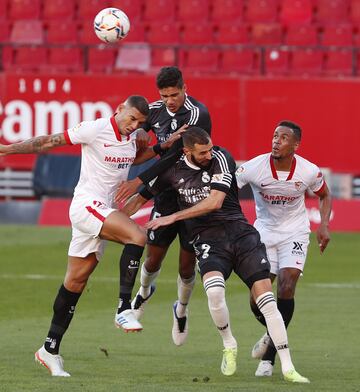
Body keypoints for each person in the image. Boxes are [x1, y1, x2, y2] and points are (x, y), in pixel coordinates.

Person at [0, 95, 179, 377]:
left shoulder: (131, 138)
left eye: (139, 122)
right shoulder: (94, 129)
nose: (133, 125)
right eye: (130, 118)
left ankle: (49, 349)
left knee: (75, 282)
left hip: (102, 210)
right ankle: (124, 308)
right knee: (137, 236)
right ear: (119, 109)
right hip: (86, 205)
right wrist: (8, 149)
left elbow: (133, 156)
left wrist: (160, 147)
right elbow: (49, 141)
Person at [122, 127, 309, 383]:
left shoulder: (221, 158)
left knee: (266, 299)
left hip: (240, 234)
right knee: (214, 291)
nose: (209, 154)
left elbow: (215, 202)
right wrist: (112, 220)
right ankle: (229, 344)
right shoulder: (171, 171)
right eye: (203, 152)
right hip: (208, 239)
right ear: (187, 151)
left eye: (210, 148)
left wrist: (173, 217)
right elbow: (138, 199)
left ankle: (288, 367)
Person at [116, 67, 212, 346]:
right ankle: (143, 293)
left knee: (186, 266)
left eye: (175, 94)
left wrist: (139, 182)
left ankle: (181, 309)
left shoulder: (197, 114)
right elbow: (128, 128)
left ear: (185, 88)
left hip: (193, 192)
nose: (170, 100)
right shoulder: (154, 111)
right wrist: (137, 136)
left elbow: (175, 157)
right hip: (166, 193)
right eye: (164, 95)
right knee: (153, 257)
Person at [235, 120, 331, 377]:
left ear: (296, 145)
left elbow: (324, 194)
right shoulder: (255, 167)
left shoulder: (308, 171)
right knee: (258, 300)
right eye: (275, 136)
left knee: (286, 286)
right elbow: (228, 190)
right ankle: (271, 333)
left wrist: (323, 225)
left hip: (295, 233)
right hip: (264, 233)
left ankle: (268, 359)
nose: (276, 141)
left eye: (284, 138)